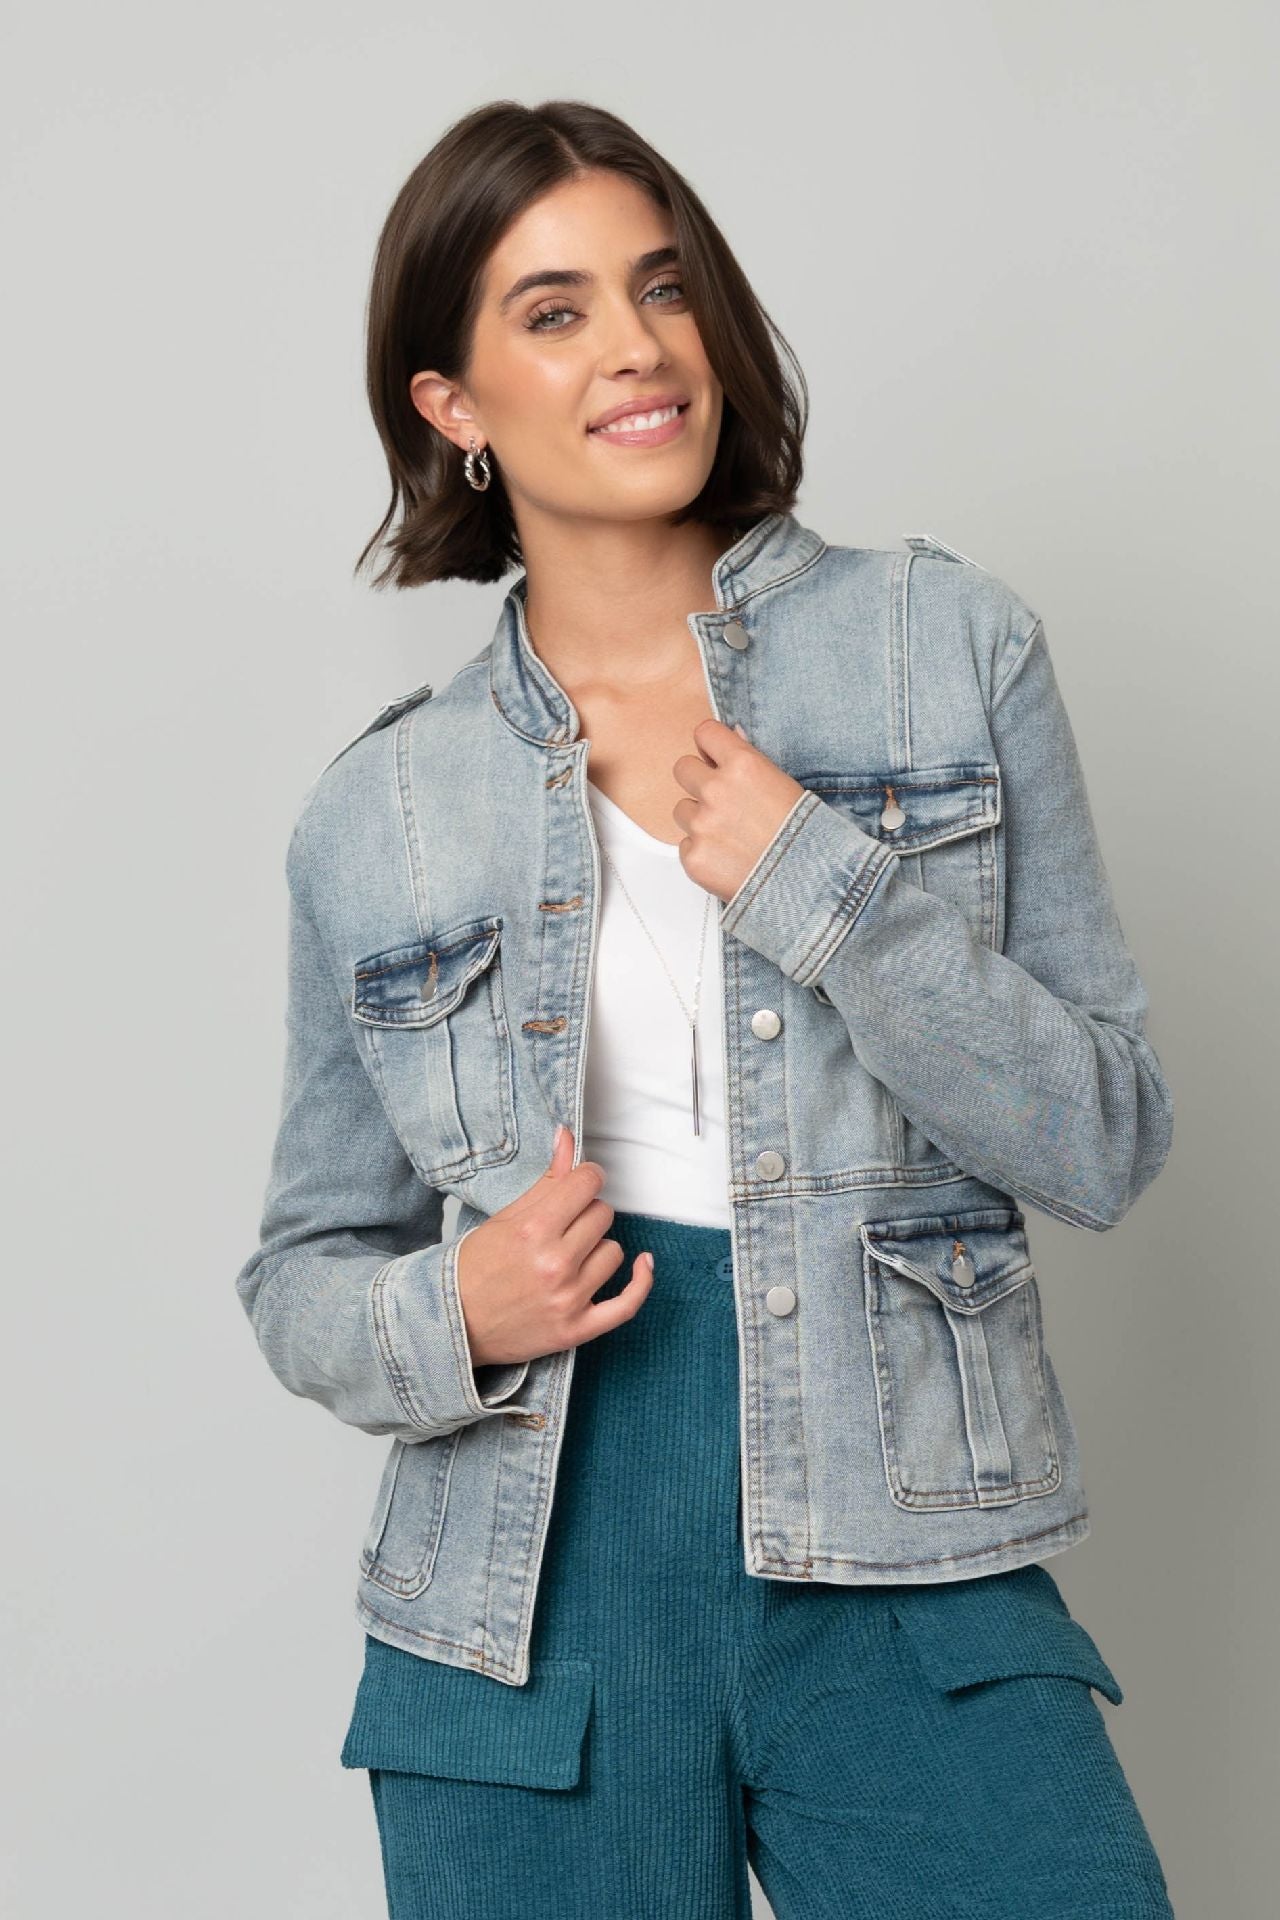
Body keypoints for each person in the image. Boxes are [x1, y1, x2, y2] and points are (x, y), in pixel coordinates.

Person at [235, 98, 1178, 1918]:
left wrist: (828, 891)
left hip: (905, 1546)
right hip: (524, 1589)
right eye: (557, 311)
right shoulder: (381, 810)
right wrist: (453, 1307)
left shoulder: (943, 647)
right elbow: (303, 1266)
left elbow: (1104, 1136)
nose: (638, 347)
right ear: (453, 405)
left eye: (661, 288)